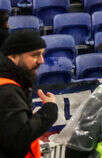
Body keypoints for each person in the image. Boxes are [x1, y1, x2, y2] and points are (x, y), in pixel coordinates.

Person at [0, 30, 57, 158]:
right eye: (35, 55)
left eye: (42, 54)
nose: (41, 61)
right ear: (13, 56)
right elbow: (18, 138)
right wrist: (49, 110)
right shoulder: (8, 91)